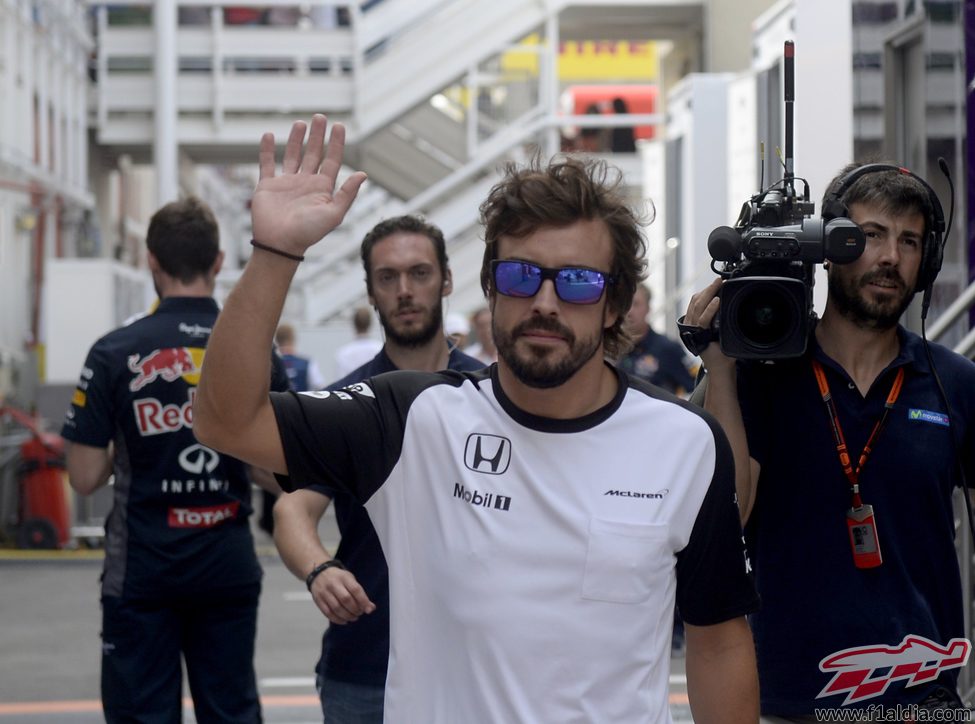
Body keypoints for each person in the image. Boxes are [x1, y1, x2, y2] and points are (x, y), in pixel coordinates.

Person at [194, 114, 760, 723]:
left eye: (576, 282)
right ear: (490, 287)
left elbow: (719, 639)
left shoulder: (685, 443)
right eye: (521, 276)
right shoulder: (415, 418)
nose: (544, 303)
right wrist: (277, 252)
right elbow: (226, 422)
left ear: (613, 304)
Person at [682, 163, 975, 720]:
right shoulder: (764, 375)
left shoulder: (954, 383)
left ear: (927, 262)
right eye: (869, 237)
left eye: (909, 241)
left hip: (923, 703)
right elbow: (733, 512)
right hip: (790, 702)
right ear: (831, 247)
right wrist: (719, 365)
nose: (889, 257)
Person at [61, 196, 290, 722]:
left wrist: (137, 436)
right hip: (226, 565)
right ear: (218, 261)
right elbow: (278, 472)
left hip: (143, 572)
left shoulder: (113, 352)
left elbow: (85, 475)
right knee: (232, 712)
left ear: (151, 262)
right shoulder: (256, 349)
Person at [273, 214, 484, 722]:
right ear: (370, 292)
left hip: (477, 666)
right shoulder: (348, 402)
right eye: (387, 278)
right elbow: (292, 511)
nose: (405, 290)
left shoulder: (492, 394)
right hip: (367, 668)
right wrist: (319, 569)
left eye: (420, 273)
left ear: (447, 280)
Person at [619, 283, 695, 396]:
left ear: (648, 308)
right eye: (625, 304)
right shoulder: (610, 349)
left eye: (636, 304)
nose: (629, 311)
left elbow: (695, 387)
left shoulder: (667, 349)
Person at [276, 322, 326, 392]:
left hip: (277, 402)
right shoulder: (307, 363)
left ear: (277, 340)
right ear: (293, 339)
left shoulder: (272, 364)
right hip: (301, 402)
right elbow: (319, 386)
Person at [334, 306, 382, 378]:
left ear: (354, 323)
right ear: (370, 323)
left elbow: (341, 382)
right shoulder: (380, 349)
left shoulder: (343, 353)